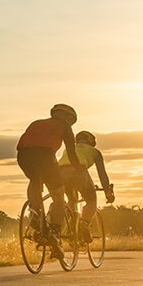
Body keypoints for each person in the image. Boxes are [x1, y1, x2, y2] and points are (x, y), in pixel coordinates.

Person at [16, 104, 83, 259]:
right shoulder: (64, 126)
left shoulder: (36, 122)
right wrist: (78, 171)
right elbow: (71, 153)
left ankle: (35, 213)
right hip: (45, 155)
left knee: (35, 179)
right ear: (69, 118)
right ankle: (54, 232)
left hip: (23, 155)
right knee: (59, 196)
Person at [58, 131, 115, 242]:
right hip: (79, 172)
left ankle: (67, 229)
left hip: (60, 173)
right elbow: (102, 174)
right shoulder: (95, 152)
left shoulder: (68, 149)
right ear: (91, 141)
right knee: (91, 199)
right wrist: (108, 192)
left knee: (71, 200)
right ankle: (83, 225)